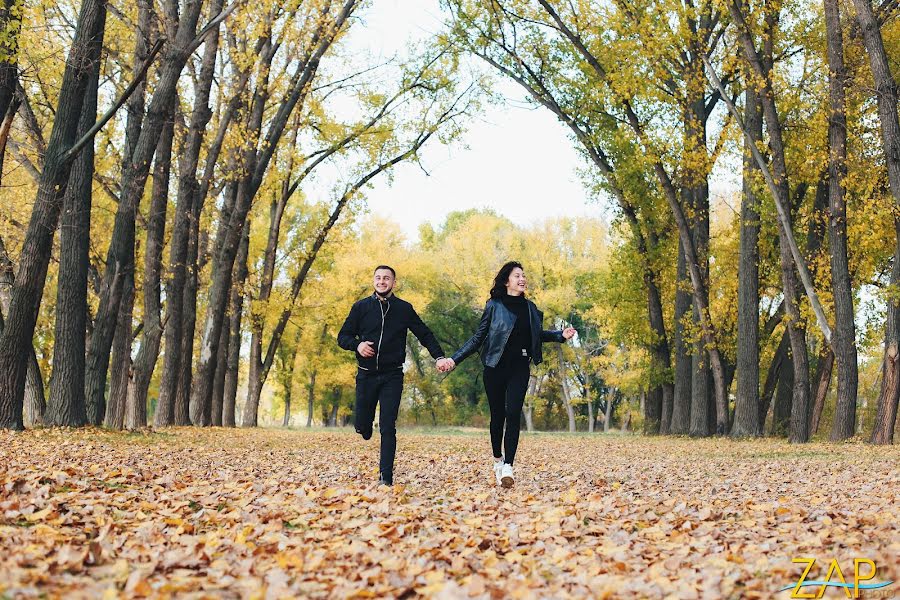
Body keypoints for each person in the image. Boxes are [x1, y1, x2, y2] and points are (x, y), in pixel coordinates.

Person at [440, 261, 576, 488]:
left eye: (523, 275)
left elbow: (537, 334)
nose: (522, 279)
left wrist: (560, 335)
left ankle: (508, 466)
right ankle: (497, 459)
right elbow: (478, 337)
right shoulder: (494, 305)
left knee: (513, 413)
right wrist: (454, 359)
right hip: (495, 366)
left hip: (520, 366)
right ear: (506, 280)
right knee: (497, 416)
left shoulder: (530, 308)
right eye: (517, 275)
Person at [338, 265, 452, 486]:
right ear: (373, 281)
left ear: (393, 282)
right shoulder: (361, 307)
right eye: (378, 278)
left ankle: (386, 477)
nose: (382, 281)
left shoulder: (404, 309)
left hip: (392, 376)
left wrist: (438, 357)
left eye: (386, 278)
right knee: (362, 425)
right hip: (366, 375)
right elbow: (342, 336)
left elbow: (424, 333)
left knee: (388, 425)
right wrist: (358, 345)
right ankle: (364, 426)